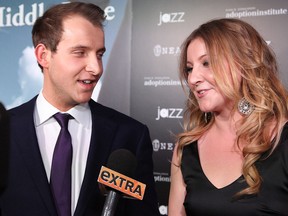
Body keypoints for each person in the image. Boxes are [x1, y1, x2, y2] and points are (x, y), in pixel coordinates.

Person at [0, 2, 160, 216]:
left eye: (100, 54)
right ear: (43, 56)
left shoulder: (131, 136)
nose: (96, 68)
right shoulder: (4, 130)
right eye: (80, 52)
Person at [168, 18, 288, 215]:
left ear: (243, 64)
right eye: (189, 68)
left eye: (206, 63)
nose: (192, 78)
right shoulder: (186, 149)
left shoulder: (283, 140)